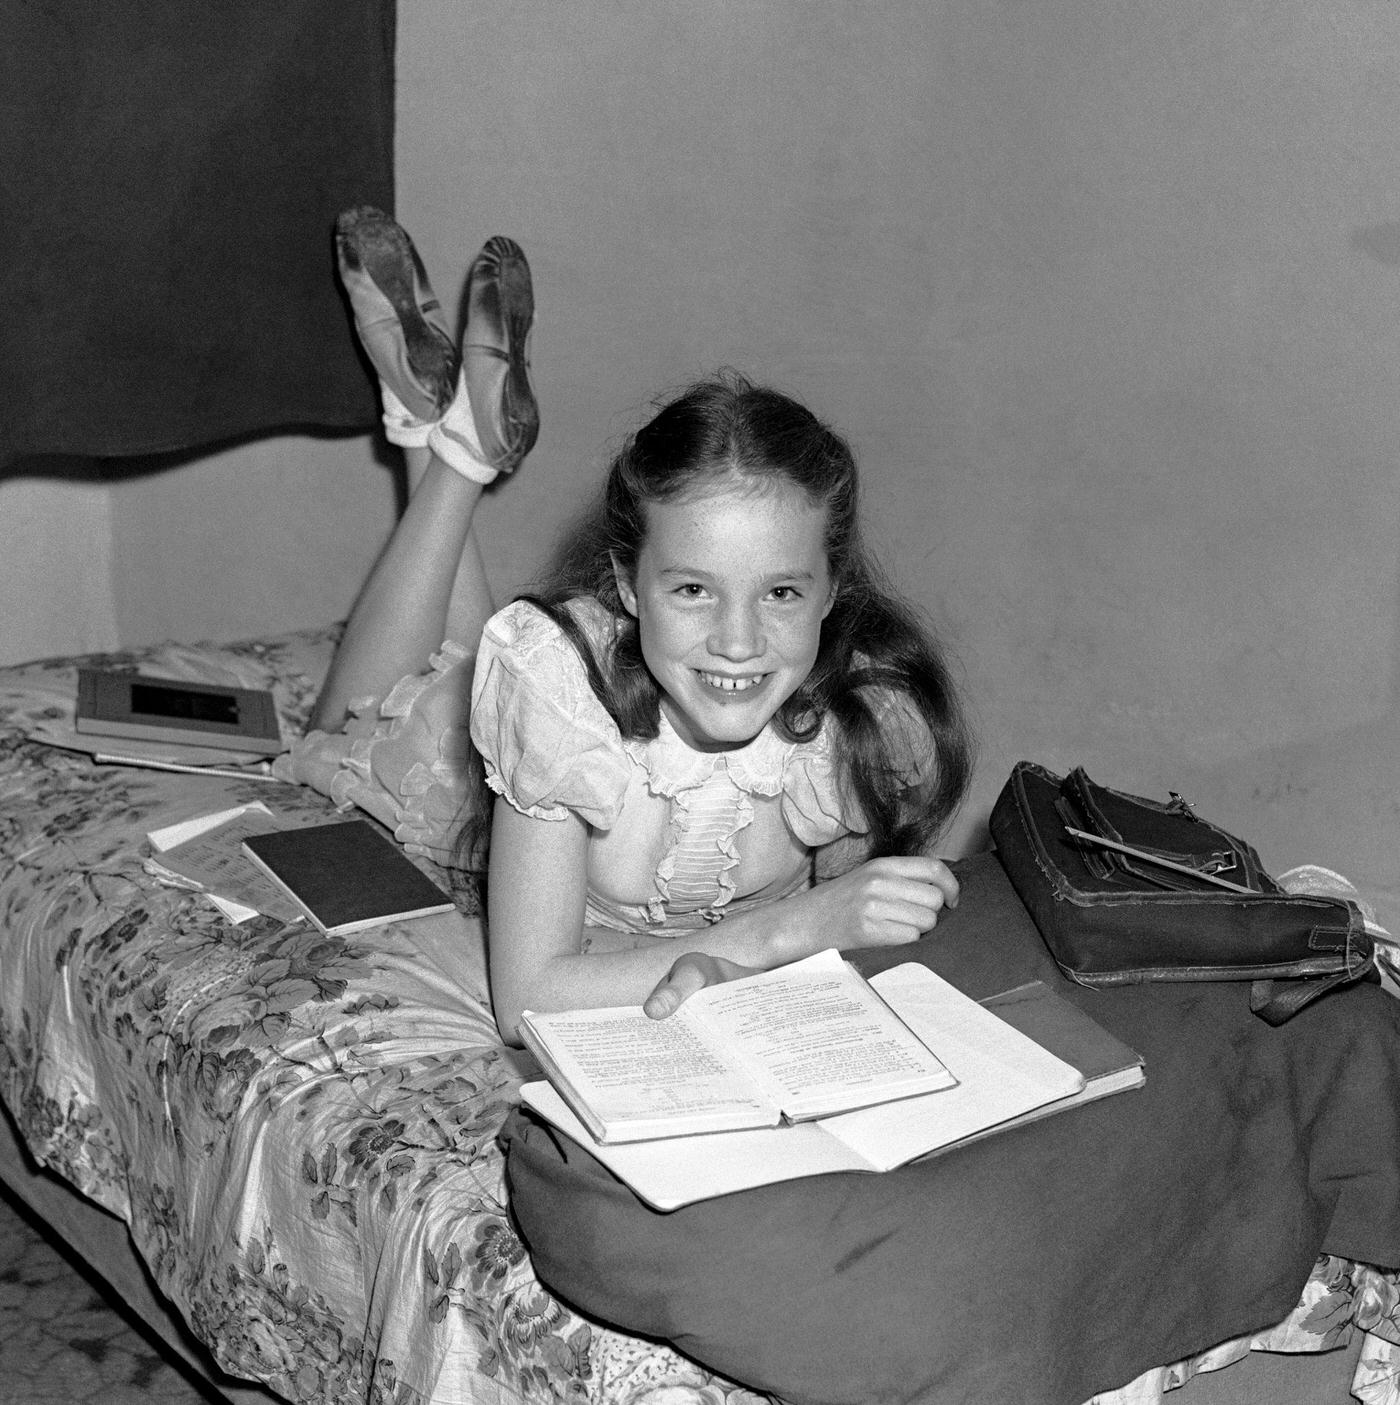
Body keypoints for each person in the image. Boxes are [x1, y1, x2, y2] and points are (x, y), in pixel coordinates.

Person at [290, 208, 973, 1044]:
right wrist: (779, 932)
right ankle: (457, 456)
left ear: (834, 591)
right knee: (350, 726)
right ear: (626, 584)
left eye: (782, 595)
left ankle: (439, 426)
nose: (738, 641)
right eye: (692, 588)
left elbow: (845, 944)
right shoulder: (556, 694)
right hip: (472, 792)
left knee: (460, 658)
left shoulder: (857, 725)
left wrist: (746, 959)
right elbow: (528, 998)